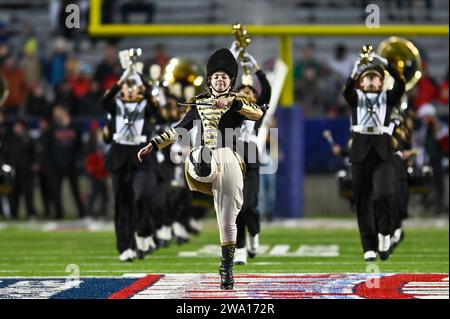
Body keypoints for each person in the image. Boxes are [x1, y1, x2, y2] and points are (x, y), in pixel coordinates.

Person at [138, 48, 263, 290]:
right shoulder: (198, 103)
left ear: (230, 81)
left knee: (227, 221)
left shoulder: (239, 100)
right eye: (216, 76)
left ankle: (226, 267)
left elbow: (257, 114)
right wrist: (154, 144)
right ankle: (202, 163)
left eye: (224, 77)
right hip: (205, 158)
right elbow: (178, 130)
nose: (220, 80)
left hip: (232, 160)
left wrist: (233, 103)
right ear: (209, 80)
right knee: (204, 154)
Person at [343, 47, 405, 262]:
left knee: (384, 194)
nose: (370, 80)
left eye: (374, 77)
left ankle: (385, 232)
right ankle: (368, 246)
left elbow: (402, 84)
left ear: (381, 82)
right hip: (360, 149)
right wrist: (356, 69)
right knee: (362, 200)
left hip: (382, 149)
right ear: (362, 82)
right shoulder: (356, 97)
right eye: (366, 77)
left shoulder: (387, 98)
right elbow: (346, 90)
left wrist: (385, 63)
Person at [102, 53, 159, 262]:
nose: (131, 89)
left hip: (139, 155)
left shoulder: (145, 105)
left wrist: (138, 76)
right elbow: (106, 99)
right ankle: (125, 246)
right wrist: (123, 77)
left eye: (134, 86)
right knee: (122, 203)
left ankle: (143, 232)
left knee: (142, 195)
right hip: (119, 155)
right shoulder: (115, 105)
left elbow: (154, 102)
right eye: (128, 85)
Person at [229, 42, 271, 265]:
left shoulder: (258, 112)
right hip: (232, 158)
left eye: (250, 92)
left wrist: (256, 67)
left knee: (250, 205)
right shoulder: (230, 110)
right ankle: (241, 249)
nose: (246, 94)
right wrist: (233, 55)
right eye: (242, 91)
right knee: (236, 208)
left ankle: (254, 233)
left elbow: (268, 90)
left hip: (251, 158)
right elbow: (223, 88)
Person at [45, 105, 86, 220]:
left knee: (75, 190)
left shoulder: (75, 127)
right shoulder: (52, 128)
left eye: (58, 112)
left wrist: (76, 160)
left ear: (64, 112)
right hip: (55, 165)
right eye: (54, 113)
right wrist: (50, 164)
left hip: (71, 164)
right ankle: (58, 214)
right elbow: (47, 147)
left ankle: (82, 213)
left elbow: (79, 146)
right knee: (56, 191)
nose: (56, 115)